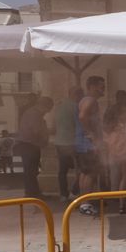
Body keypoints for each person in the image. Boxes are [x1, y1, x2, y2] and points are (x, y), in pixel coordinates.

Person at [75, 75, 107, 216]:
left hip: (83, 144)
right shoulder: (90, 100)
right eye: (101, 86)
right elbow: (82, 116)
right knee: (91, 174)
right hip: (89, 145)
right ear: (92, 87)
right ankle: (85, 204)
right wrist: (91, 135)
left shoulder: (85, 100)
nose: (103, 89)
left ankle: (83, 201)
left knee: (85, 173)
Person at [15, 96, 53, 199]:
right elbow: (36, 130)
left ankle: (33, 192)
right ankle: (32, 194)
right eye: (48, 109)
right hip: (29, 144)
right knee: (31, 170)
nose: (48, 112)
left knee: (31, 170)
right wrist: (47, 134)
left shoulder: (32, 113)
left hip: (29, 144)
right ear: (44, 106)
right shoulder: (34, 114)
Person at [53, 87, 81, 200]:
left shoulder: (59, 106)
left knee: (62, 170)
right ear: (76, 95)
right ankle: (75, 190)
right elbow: (78, 124)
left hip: (59, 141)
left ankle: (63, 194)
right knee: (81, 168)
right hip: (72, 142)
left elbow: (55, 123)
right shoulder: (76, 107)